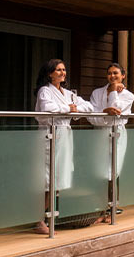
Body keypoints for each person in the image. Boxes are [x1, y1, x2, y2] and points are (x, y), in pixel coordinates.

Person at [34, 58, 92, 234]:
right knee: (47, 179)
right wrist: (69, 108)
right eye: (58, 70)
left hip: (64, 137)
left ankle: (47, 217)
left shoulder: (68, 93)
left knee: (58, 179)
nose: (62, 73)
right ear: (49, 73)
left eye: (64, 70)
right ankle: (38, 220)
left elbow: (88, 107)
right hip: (49, 135)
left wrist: (73, 109)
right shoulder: (45, 91)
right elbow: (47, 108)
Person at [88, 63, 134, 221]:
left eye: (116, 73)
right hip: (99, 134)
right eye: (109, 73)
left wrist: (114, 91)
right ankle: (101, 209)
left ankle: (112, 209)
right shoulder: (97, 92)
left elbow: (116, 110)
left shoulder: (128, 95)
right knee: (98, 172)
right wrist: (104, 115)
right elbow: (91, 117)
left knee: (112, 172)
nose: (112, 76)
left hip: (117, 134)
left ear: (123, 76)